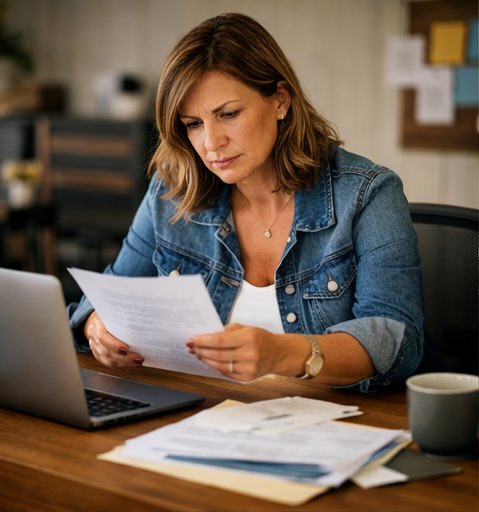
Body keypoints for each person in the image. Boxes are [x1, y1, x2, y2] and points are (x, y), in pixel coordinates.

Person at [68, 12, 424, 393]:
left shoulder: (368, 194)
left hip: (332, 425)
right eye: (193, 124)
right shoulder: (172, 190)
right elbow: (111, 293)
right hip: (200, 417)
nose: (211, 142)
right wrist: (96, 327)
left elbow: (396, 337)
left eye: (229, 114)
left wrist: (285, 353)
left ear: (280, 101)